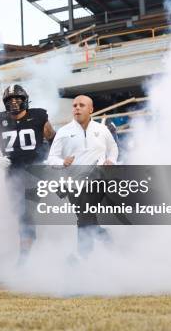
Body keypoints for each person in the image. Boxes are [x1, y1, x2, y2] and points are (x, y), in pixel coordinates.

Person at [0, 84, 56, 260]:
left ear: (25, 100)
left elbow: (54, 140)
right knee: (18, 211)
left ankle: (25, 257)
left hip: (35, 171)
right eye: (10, 100)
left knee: (27, 212)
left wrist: (50, 158)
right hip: (13, 173)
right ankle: (32, 243)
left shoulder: (39, 116)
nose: (14, 103)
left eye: (17, 99)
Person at [47, 95, 118, 257]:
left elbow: (113, 149)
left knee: (84, 217)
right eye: (74, 105)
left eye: (81, 105)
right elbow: (51, 158)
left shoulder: (102, 130)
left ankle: (83, 258)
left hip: (97, 180)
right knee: (86, 218)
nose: (77, 108)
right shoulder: (64, 132)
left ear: (91, 109)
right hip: (72, 184)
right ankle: (104, 237)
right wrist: (63, 162)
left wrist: (111, 160)